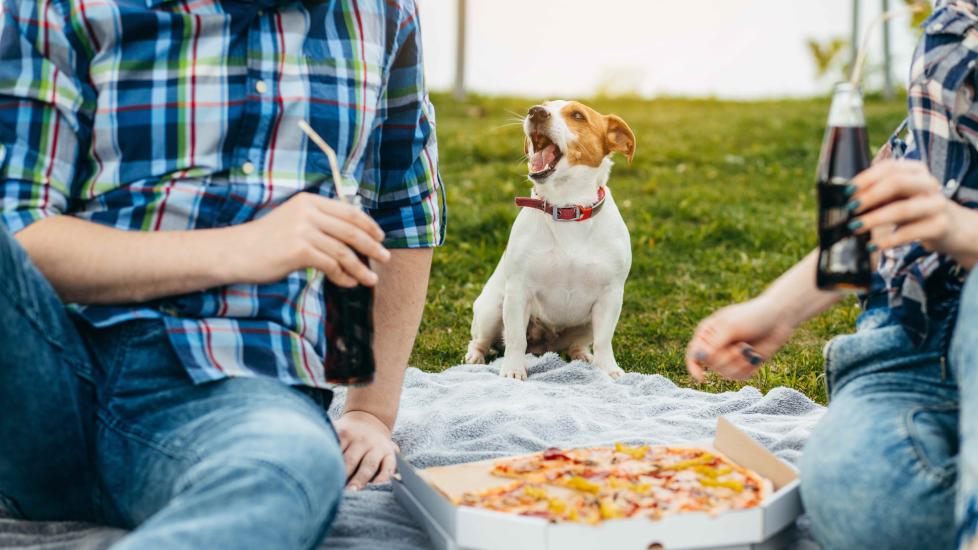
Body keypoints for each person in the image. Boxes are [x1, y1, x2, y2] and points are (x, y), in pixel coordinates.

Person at [0, 0, 444, 548]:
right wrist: (241, 248)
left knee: (291, 464)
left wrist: (371, 413)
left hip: (241, 397)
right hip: (38, 368)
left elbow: (400, 213)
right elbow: (18, 230)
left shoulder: (384, 13)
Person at [686, 2, 978, 549]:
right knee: (860, 494)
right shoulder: (952, 19)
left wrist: (962, 229)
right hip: (915, 336)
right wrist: (776, 309)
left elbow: (947, 219)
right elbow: (887, 207)